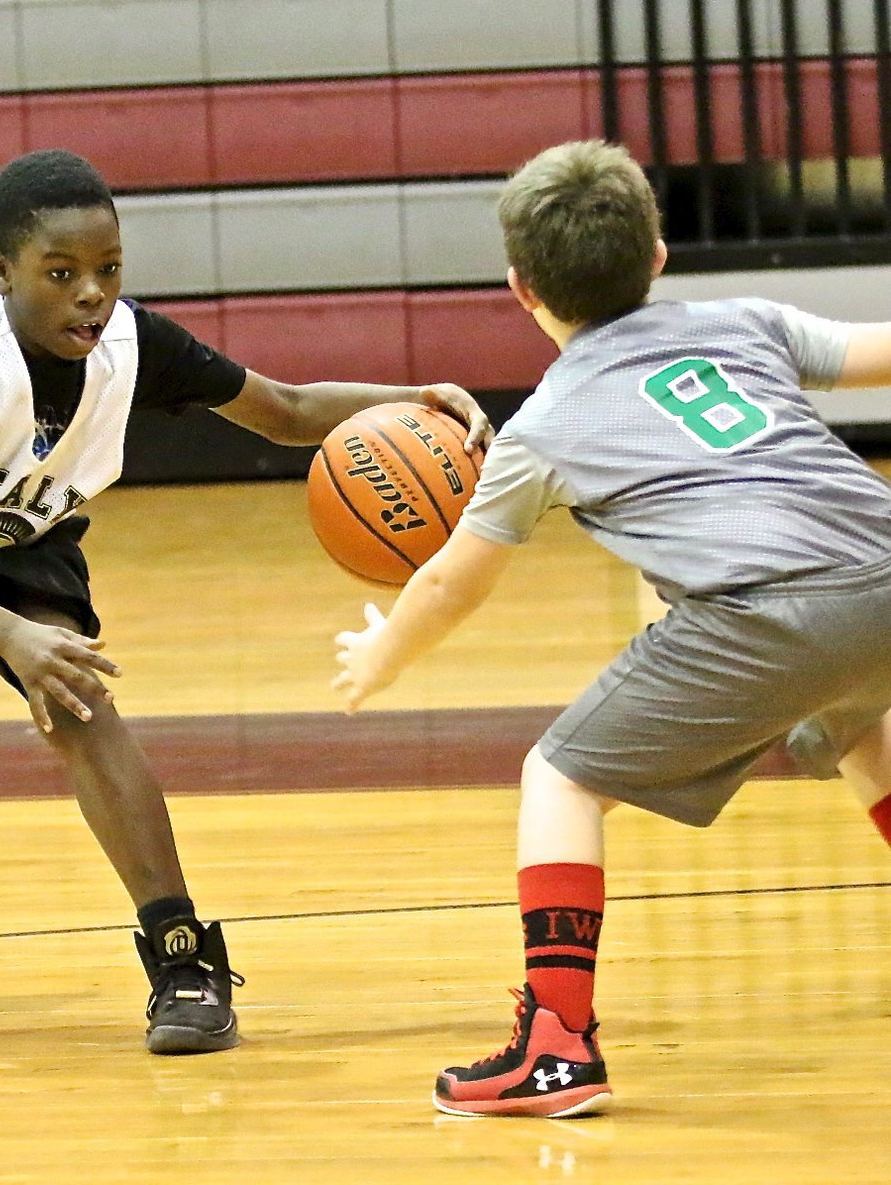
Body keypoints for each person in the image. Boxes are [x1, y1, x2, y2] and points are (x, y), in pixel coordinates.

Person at [0, 148, 491, 1055]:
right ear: (0, 274)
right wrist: (9, 639)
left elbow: (288, 410)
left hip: (23, 540)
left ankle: (180, 953)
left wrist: (415, 405)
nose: (90, 296)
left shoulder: (132, 344)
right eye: (60, 274)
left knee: (79, 699)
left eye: (108, 271)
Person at [331, 139, 891, 1117]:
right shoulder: (742, 320)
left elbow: (453, 585)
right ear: (659, 254)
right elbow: (872, 351)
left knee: (560, 776)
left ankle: (555, 1043)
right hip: (881, 561)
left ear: (519, 288)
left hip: (765, 607)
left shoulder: (541, 426)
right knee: (850, 716)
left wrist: (380, 652)